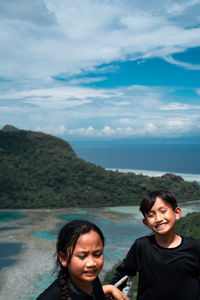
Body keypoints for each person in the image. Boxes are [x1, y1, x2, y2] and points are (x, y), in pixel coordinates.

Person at [110, 189, 200, 300]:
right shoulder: (142, 246)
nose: (158, 219)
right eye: (151, 215)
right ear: (146, 222)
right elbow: (122, 276)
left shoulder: (194, 248)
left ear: (177, 213)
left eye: (163, 211)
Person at [37, 219, 128, 300]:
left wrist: (109, 288)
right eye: (82, 256)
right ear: (63, 258)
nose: (92, 263)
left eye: (97, 254)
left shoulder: (91, 281)